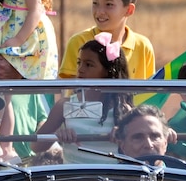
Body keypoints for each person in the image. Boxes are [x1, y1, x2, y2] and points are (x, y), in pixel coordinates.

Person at [36, 33, 134, 162]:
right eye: (79, 63)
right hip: (73, 179)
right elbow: (36, 146)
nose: (80, 69)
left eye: (88, 64)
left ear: (108, 71)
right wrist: (57, 136)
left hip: (111, 180)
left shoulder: (123, 110)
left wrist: (124, 137)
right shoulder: (64, 105)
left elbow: (136, 150)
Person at [58, 0, 155, 80]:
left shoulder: (143, 47)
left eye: (109, 4)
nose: (99, 11)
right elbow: (71, 91)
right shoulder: (78, 42)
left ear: (129, 10)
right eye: (95, 3)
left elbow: (149, 94)